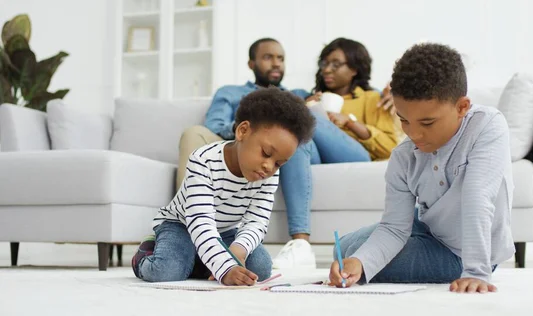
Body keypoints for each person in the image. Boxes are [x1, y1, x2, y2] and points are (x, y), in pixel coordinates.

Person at [328, 43, 515, 294]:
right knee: (349, 251)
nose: (414, 134)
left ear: (462, 107)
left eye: (427, 122)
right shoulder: (404, 156)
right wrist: (359, 263)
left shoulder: (487, 126)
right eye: (404, 120)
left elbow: (477, 199)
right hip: (430, 228)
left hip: (461, 255)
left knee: (356, 254)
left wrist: (476, 273)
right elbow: (394, 228)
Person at [132, 88, 315, 285]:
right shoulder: (203, 160)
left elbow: (257, 221)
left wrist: (239, 249)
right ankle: (150, 252)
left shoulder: (269, 174)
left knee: (261, 267)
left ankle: (201, 259)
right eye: (266, 153)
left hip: (225, 230)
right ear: (242, 131)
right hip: (183, 225)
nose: (269, 167)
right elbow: (200, 222)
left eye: (279, 163)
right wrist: (225, 267)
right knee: (167, 270)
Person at [273, 38, 404, 269]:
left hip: (357, 154)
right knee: (296, 141)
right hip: (318, 152)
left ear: (354, 69)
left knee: (308, 117)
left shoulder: (373, 99)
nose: (327, 69)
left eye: (336, 64)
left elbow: (390, 146)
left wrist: (350, 123)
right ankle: (301, 244)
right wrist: (305, 104)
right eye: (324, 63)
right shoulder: (313, 97)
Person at [177, 38, 309, 187]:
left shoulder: (298, 96)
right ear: (251, 64)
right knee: (194, 133)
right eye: (268, 57)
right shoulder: (230, 92)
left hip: (277, 150)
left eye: (281, 58)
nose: (276, 63)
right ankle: (188, 206)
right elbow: (214, 125)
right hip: (234, 143)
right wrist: (247, 130)